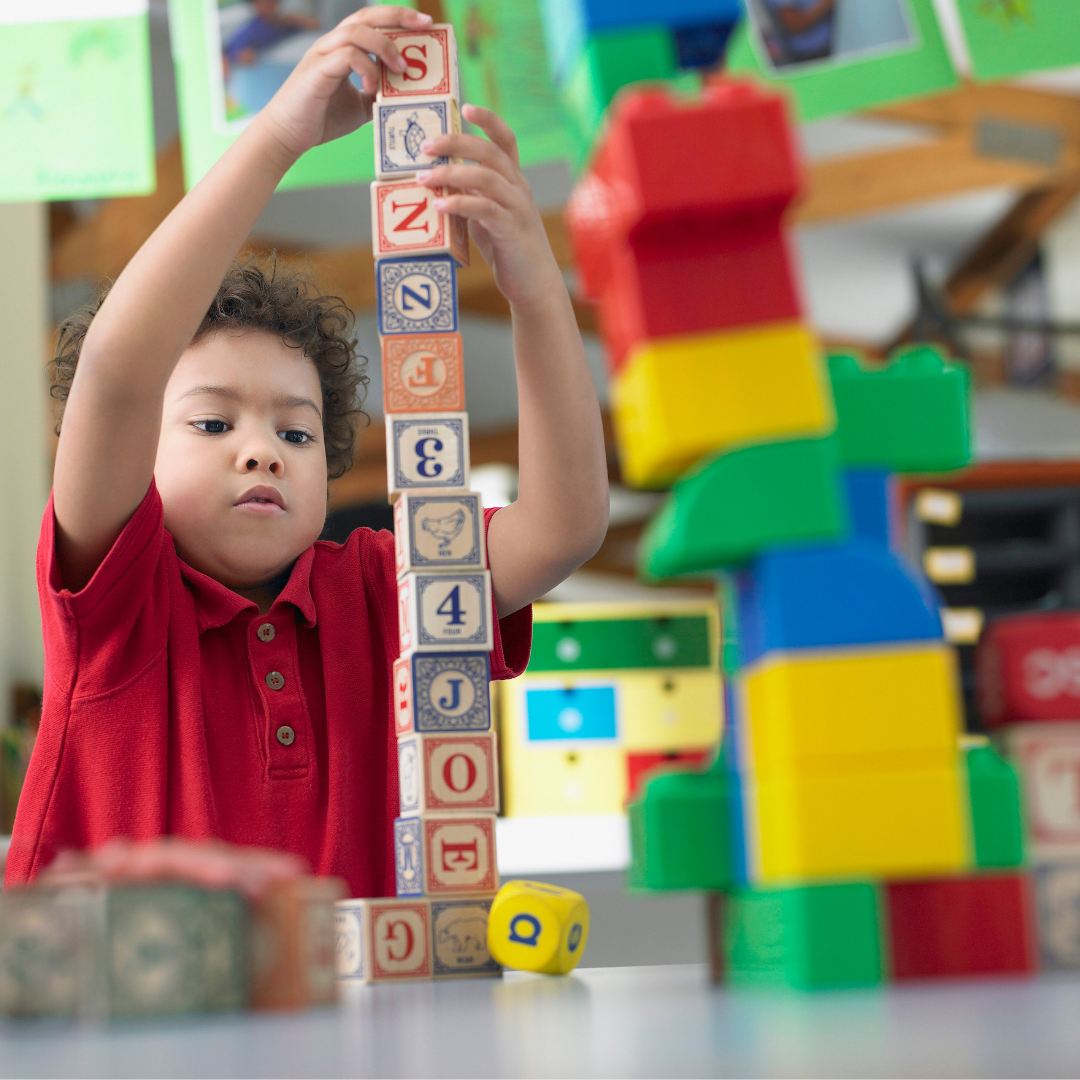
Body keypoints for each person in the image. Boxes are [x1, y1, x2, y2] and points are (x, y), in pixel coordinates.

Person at [4, 6, 609, 898]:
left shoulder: (378, 591)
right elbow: (117, 371)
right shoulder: (117, 607)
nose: (261, 452)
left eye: (294, 432)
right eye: (213, 424)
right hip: (109, 1027)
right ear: (140, 452)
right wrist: (279, 134)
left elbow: (563, 527)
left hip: (350, 1024)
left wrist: (533, 284)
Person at [225, 0, 321, 67]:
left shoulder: (285, 24)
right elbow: (231, 53)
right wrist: (242, 56)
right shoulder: (250, 30)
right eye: (265, 2)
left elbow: (317, 26)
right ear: (255, 4)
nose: (270, 5)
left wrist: (296, 20)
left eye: (272, 1)